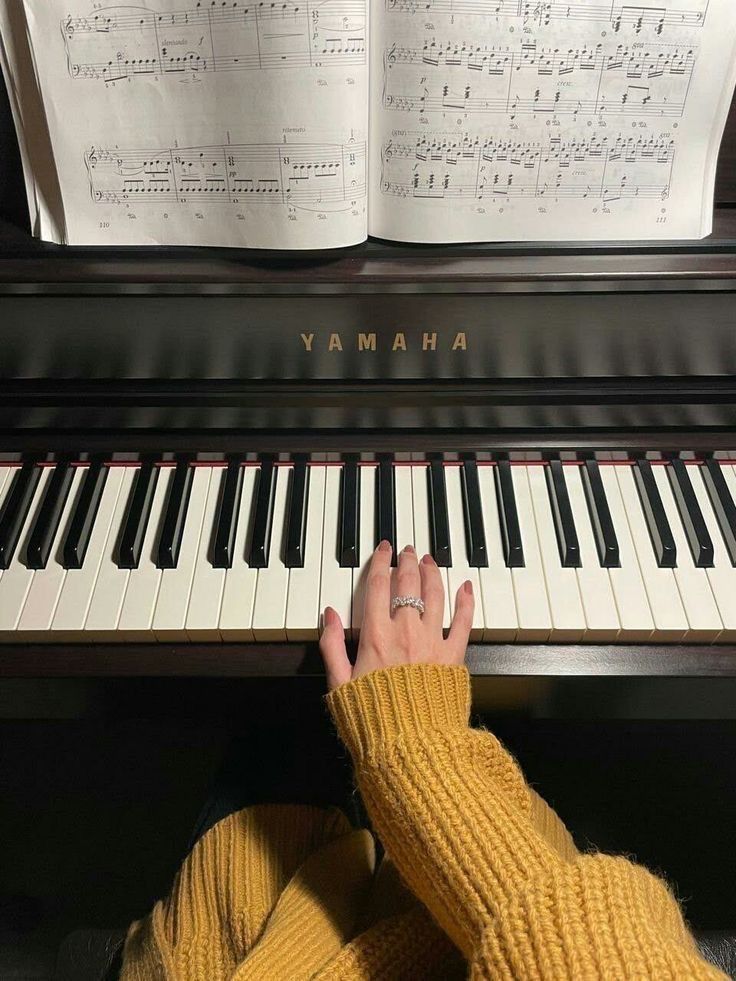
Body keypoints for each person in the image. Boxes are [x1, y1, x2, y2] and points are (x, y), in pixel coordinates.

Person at [119, 543, 725, 980]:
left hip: (248, 943)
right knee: (517, 734)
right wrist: (417, 735)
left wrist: (401, 727)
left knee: (282, 724)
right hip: (474, 917)